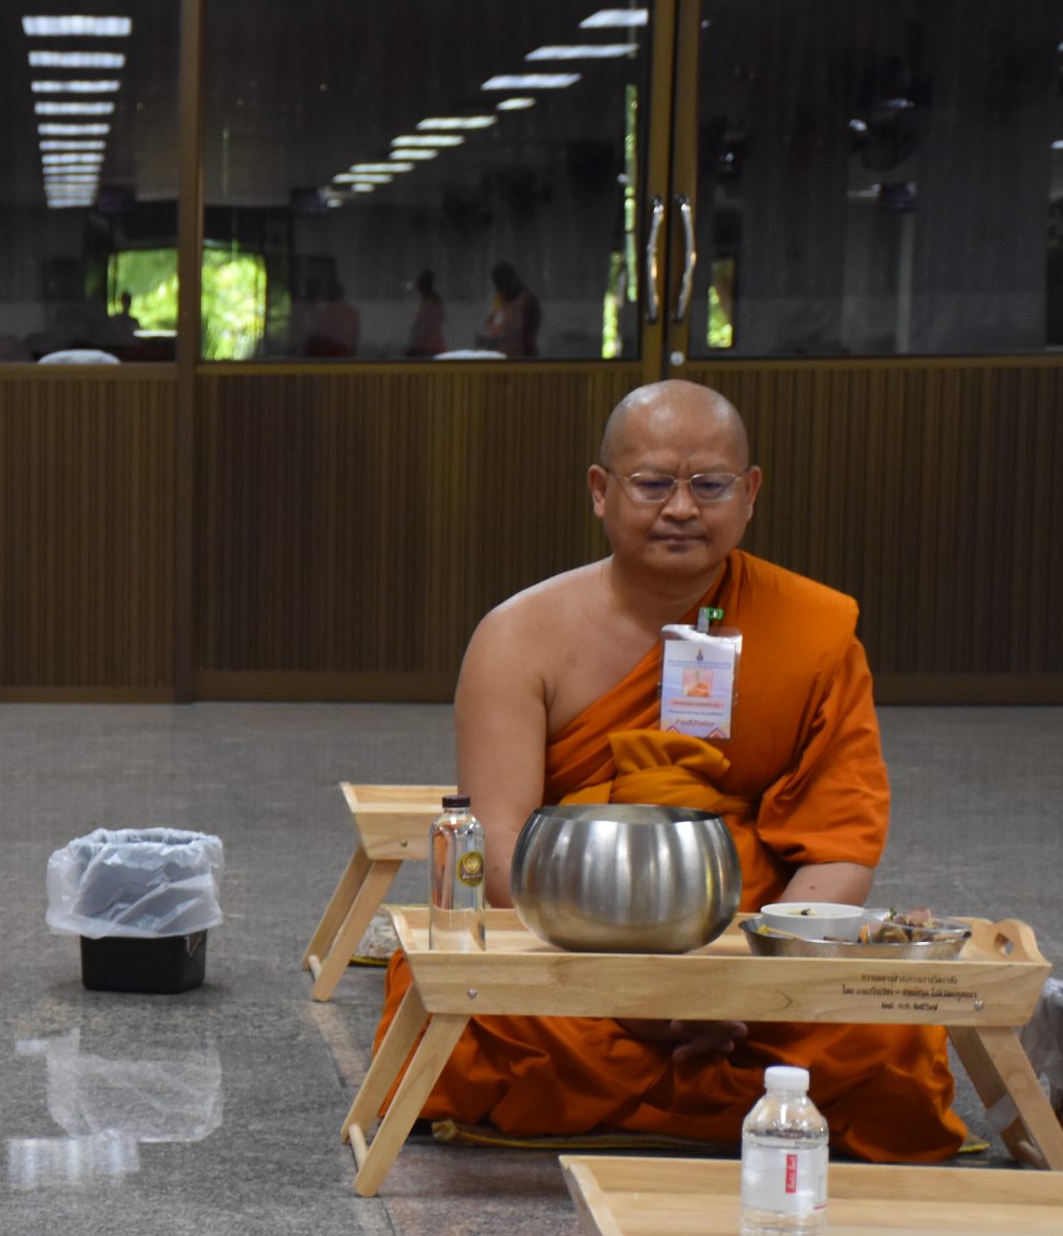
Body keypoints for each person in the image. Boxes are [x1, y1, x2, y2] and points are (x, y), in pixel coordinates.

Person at [371, 380, 965, 1161]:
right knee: (457, 1003)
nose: (681, 508)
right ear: (600, 491)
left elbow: (838, 847)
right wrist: (637, 993)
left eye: (709, 484)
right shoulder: (521, 636)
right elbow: (500, 849)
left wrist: (747, 985)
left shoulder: (815, 631)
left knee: (892, 1030)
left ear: (750, 494)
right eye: (652, 482)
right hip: (571, 946)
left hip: (756, 949)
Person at [479, 262, 542, 358]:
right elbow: (492, 327)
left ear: (512, 281)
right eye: (498, 287)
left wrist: (496, 340)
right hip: (501, 358)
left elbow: (519, 335)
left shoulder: (527, 301)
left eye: (502, 286)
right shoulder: (502, 303)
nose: (501, 291)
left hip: (521, 360)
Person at [405, 270, 446, 358]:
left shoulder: (432, 304)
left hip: (430, 351)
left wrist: (415, 348)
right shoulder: (429, 302)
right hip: (428, 350)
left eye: (421, 283)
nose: (418, 286)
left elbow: (425, 328)